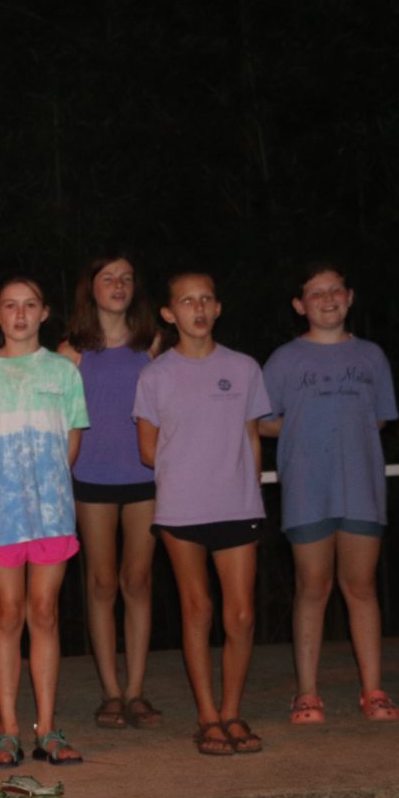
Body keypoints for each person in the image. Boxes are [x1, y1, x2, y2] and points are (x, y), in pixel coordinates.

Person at [259, 263, 399, 723]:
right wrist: (302, 425)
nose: (327, 299)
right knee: (312, 587)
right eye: (316, 293)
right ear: (300, 305)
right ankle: (306, 694)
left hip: (361, 486)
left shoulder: (371, 356)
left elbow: (380, 418)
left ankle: (373, 691)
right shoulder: (284, 359)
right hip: (306, 488)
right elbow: (261, 421)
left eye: (335, 290)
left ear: (349, 297)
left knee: (361, 587)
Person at [134, 272, 270, 756]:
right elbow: (148, 451)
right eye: (187, 301)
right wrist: (191, 467)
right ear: (169, 313)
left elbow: (252, 436)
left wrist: (248, 486)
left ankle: (232, 711)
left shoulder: (244, 367)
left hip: (237, 504)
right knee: (197, 609)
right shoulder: (155, 375)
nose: (198, 308)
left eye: (206, 299)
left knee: (241, 615)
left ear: (217, 308)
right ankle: (208, 716)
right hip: (182, 508)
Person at [0, 277, 89, 768]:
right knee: (8, 614)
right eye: (10, 306)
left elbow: (71, 438)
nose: (20, 314)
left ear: (44, 312)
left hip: (53, 514)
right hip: (2, 517)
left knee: (45, 613)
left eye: (29, 305)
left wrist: (47, 486)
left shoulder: (63, 372)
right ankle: (8, 730)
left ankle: (48, 729)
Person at [57, 255, 163, 731]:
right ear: (92, 288)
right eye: (108, 278)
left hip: (145, 476)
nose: (118, 285)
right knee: (100, 584)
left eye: (126, 278)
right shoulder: (70, 352)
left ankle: (136, 690)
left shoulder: (153, 345)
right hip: (91, 478)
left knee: (137, 582)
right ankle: (111, 692)